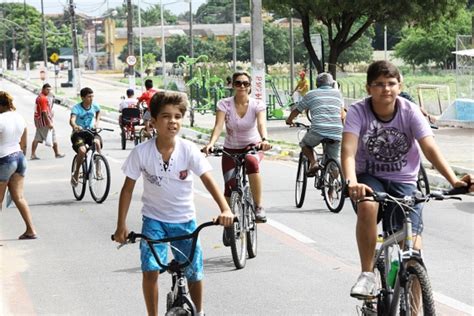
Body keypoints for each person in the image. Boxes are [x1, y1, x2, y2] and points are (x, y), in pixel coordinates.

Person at [341, 60, 471, 299]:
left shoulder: (409, 111)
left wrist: (453, 180)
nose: (386, 89)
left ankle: (413, 305)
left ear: (400, 86)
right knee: (368, 205)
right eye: (379, 84)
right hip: (369, 177)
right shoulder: (358, 111)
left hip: (405, 180)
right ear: (368, 88)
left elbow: (430, 149)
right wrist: (352, 183)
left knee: (413, 251)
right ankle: (367, 275)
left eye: (391, 83)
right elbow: (348, 150)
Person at [113, 91, 234, 316]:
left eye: (178, 116)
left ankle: (199, 312)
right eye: (166, 116)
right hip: (154, 221)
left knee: (194, 272)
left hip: (184, 221)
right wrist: (121, 226)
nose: (173, 121)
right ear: (154, 121)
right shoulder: (141, 152)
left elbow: (207, 180)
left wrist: (225, 209)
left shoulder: (188, 150)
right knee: (150, 270)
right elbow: (127, 189)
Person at [202, 71, 272, 223]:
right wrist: (211, 143)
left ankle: (259, 206)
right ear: (232, 85)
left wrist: (264, 140)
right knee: (230, 186)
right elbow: (219, 126)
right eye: (238, 83)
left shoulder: (257, 104)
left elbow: (261, 124)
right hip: (230, 149)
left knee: (251, 162)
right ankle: (228, 223)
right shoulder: (224, 104)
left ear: (250, 86)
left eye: (245, 83)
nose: (242, 86)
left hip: (252, 147)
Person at [286, 72, 345, 177]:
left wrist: (289, 120)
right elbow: (342, 114)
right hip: (337, 131)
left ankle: (314, 163)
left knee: (304, 144)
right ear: (331, 84)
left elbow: (297, 110)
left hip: (318, 129)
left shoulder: (311, 94)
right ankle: (332, 191)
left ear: (317, 84)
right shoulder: (338, 94)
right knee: (334, 160)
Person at [0, 91, 37, 239]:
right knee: (19, 197)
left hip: (4, 159)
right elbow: (24, 144)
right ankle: (31, 230)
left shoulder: (1, 119)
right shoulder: (20, 117)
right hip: (20, 158)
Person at [69, 87, 102, 187]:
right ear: (82, 98)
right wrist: (75, 126)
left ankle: (98, 168)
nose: (91, 99)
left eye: (92, 96)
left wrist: (96, 122)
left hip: (91, 132)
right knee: (82, 151)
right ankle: (76, 173)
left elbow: (98, 112)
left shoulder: (95, 105)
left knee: (97, 143)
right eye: (88, 97)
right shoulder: (76, 108)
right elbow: (72, 120)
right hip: (79, 133)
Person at [30, 83, 65, 160]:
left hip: (39, 121)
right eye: (47, 89)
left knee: (37, 138)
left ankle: (33, 154)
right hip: (45, 122)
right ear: (43, 89)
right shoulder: (43, 99)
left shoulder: (39, 97)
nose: (48, 91)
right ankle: (57, 153)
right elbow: (44, 112)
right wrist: (49, 123)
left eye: (49, 89)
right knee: (53, 137)